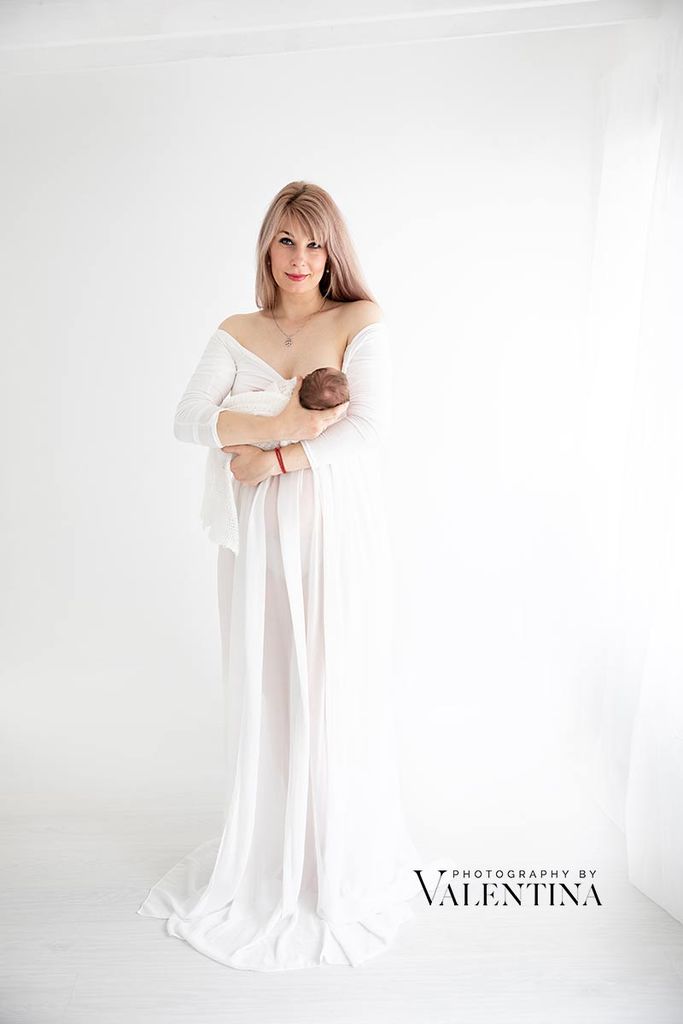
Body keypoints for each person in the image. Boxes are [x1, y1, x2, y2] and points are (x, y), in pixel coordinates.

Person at [137, 180, 421, 971]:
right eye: (285, 241)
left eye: (314, 242)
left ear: (334, 251)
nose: (299, 258)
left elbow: (369, 429)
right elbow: (188, 418)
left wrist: (278, 458)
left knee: (328, 683)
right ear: (266, 245)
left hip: (329, 529)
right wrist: (275, 424)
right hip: (255, 536)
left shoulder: (359, 321)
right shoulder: (235, 330)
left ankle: (329, 856)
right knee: (266, 683)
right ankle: (268, 851)